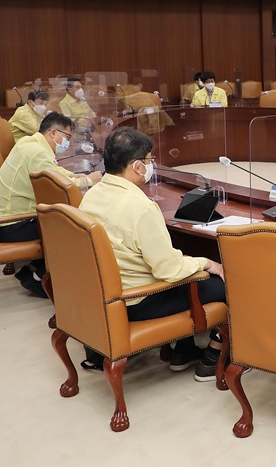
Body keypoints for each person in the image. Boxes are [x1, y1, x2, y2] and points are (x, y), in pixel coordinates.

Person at [79, 127, 227, 380]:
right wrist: (208, 263)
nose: (151, 165)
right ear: (137, 166)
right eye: (149, 160)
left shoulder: (91, 195)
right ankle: (214, 358)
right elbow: (168, 270)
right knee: (227, 283)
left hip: (102, 294)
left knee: (190, 267)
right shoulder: (141, 207)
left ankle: (184, 349)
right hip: (138, 300)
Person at [0, 112, 102, 296]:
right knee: (76, 230)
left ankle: (34, 270)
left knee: (66, 222)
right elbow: (58, 186)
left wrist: (75, 176)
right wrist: (88, 181)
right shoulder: (37, 152)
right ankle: (41, 280)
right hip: (15, 225)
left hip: (7, 220)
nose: (67, 142)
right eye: (66, 137)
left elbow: (53, 171)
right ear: (52, 133)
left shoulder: (29, 143)